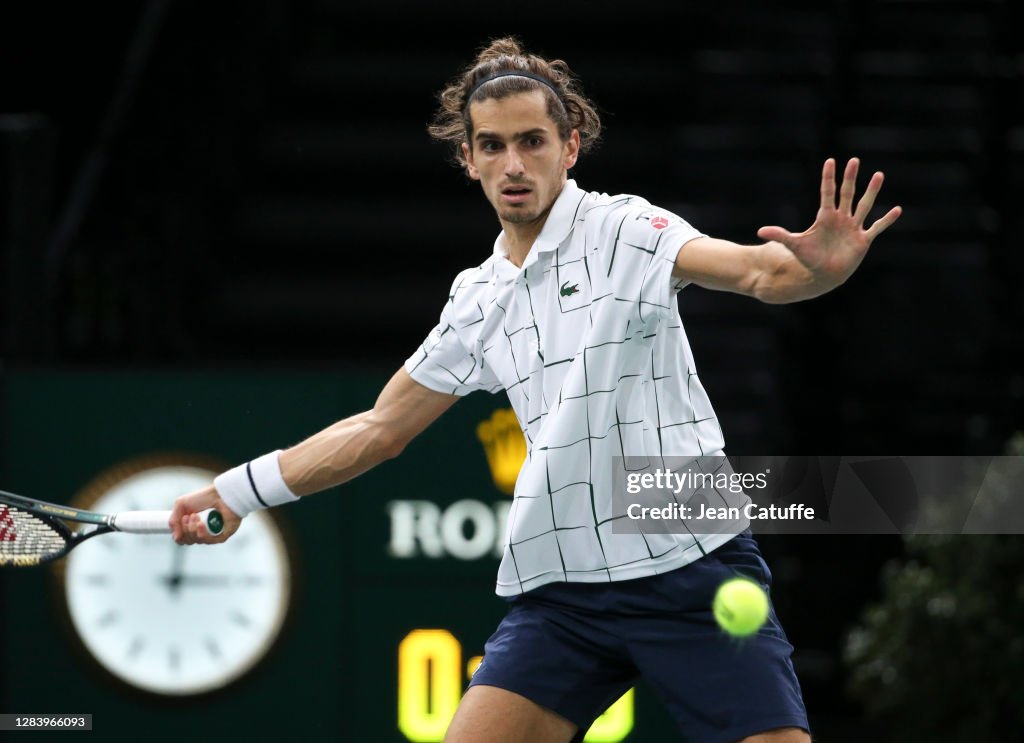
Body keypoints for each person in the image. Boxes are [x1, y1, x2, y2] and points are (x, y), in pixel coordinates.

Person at [171, 37, 901, 743]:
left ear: (570, 145)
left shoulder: (625, 230)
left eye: (532, 140)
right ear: (468, 158)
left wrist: (816, 271)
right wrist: (237, 491)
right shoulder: (477, 297)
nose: (513, 163)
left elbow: (754, 271)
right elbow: (379, 428)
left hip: (690, 566)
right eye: (492, 145)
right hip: (563, 591)